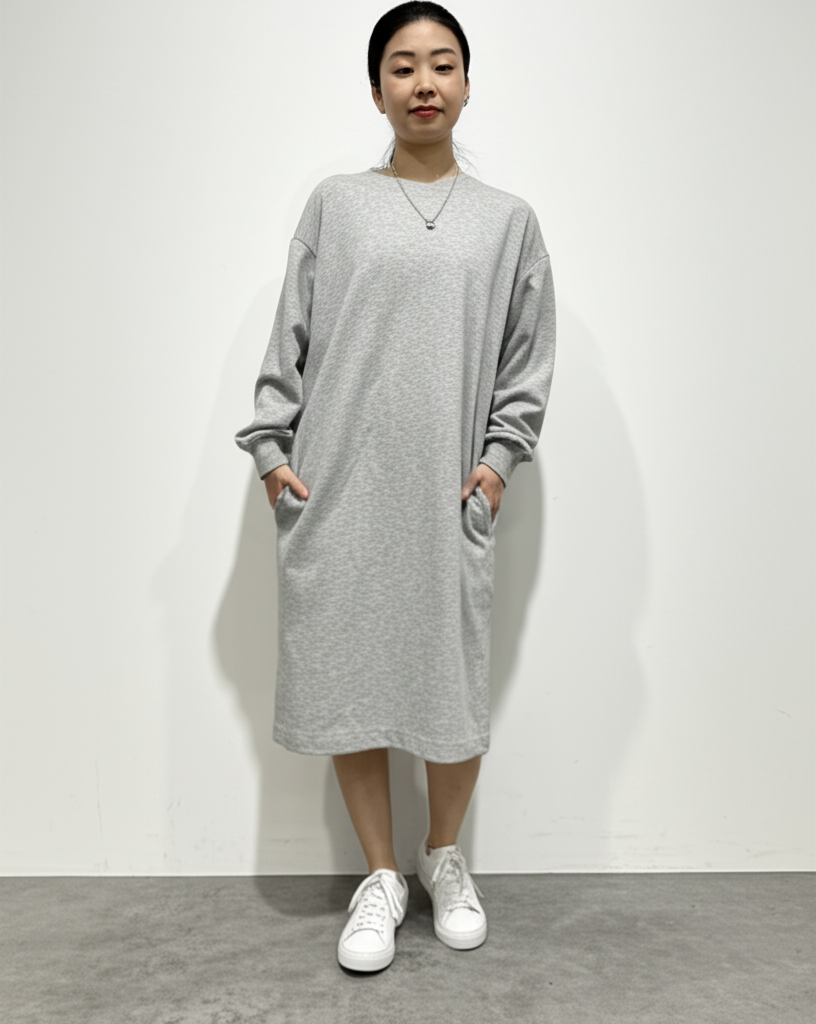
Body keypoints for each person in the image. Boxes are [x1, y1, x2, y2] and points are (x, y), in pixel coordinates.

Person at [234, 1, 556, 973]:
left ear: (467, 84)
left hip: (447, 491)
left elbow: (527, 359)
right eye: (404, 67)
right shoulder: (336, 203)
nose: (424, 83)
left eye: (442, 64)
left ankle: (442, 855)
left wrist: (497, 466)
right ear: (377, 91)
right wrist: (272, 451)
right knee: (352, 676)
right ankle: (381, 873)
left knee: (449, 678)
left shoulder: (508, 222)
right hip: (338, 486)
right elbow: (291, 333)